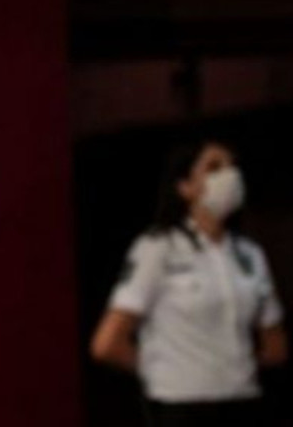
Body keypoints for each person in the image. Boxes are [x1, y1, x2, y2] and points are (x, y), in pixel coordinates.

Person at [90, 138, 287, 426]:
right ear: (185, 187)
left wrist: (233, 369)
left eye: (232, 166)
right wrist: (167, 374)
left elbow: (275, 345)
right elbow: (108, 343)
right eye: (214, 168)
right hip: (183, 406)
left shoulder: (249, 254)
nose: (229, 176)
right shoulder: (158, 248)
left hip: (244, 401)